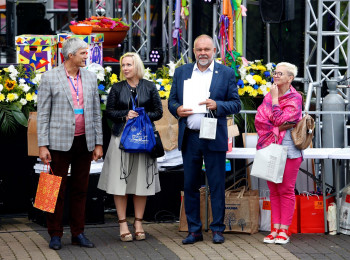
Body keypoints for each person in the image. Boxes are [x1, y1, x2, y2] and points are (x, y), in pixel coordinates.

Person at [168, 34, 241, 244]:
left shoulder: (225, 73)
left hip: (213, 136)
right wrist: (177, 109)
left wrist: (218, 105)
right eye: (199, 49)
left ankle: (217, 229)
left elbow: (235, 104)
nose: (202, 53)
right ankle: (194, 230)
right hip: (190, 137)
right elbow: (172, 100)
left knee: (217, 185)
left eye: (207, 49)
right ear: (193, 51)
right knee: (190, 185)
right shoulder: (182, 72)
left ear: (214, 51)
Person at [37, 37, 103, 250]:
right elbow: (43, 114)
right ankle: (55, 233)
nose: (87, 56)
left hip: (85, 141)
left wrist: (99, 143)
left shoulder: (91, 78)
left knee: (81, 189)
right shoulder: (50, 77)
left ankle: (78, 233)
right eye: (83, 53)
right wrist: (42, 145)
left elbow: (95, 113)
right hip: (58, 143)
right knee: (55, 189)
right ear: (70, 55)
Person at [98, 52, 163, 242]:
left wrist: (143, 115)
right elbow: (109, 112)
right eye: (123, 65)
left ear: (137, 67)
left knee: (141, 182)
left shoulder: (149, 87)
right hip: (121, 138)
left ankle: (139, 223)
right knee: (120, 183)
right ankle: (122, 223)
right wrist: (125, 114)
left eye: (129, 65)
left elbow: (158, 112)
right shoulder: (117, 88)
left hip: (143, 139)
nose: (125, 68)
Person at [255, 62, 303, 245]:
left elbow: (281, 119)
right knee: (274, 190)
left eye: (280, 74)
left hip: (289, 149)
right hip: (269, 146)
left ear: (290, 78)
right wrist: (276, 124)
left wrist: (275, 101)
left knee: (286, 189)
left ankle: (285, 229)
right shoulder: (268, 95)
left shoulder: (295, 98)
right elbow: (260, 120)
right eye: (275, 73)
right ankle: (274, 228)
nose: (275, 76)